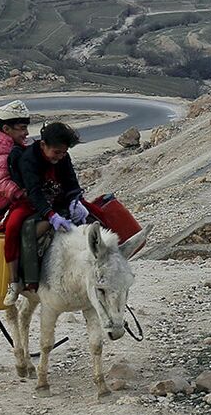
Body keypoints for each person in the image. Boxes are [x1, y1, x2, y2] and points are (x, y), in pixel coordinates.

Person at [9, 120, 151, 293]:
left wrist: (75, 200)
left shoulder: (63, 157)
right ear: (43, 144)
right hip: (33, 205)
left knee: (98, 217)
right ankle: (22, 281)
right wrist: (50, 215)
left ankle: (112, 263)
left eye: (64, 153)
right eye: (57, 152)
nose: (60, 156)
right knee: (22, 231)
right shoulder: (28, 160)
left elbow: (71, 183)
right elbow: (34, 191)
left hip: (62, 202)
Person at [0, 100, 33, 297]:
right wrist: (24, 194)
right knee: (16, 227)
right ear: (6, 128)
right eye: (22, 128)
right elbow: (2, 184)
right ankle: (14, 280)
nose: (26, 133)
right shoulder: (1, 149)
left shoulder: (16, 144)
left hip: (13, 195)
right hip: (0, 201)